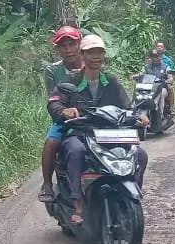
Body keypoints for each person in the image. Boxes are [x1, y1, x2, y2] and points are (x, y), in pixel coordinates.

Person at [48, 34, 149, 224]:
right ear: (82, 55)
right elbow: (54, 102)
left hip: (108, 134)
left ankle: (130, 196)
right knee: (75, 151)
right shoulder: (71, 80)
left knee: (140, 155)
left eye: (99, 52)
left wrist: (138, 117)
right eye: (91, 52)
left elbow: (126, 107)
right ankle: (77, 201)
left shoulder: (111, 81)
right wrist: (64, 111)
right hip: (80, 132)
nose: (96, 56)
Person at [38, 25, 83, 201]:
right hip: (65, 117)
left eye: (71, 44)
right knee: (51, 142)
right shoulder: (53, 70)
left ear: (79, 44)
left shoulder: (90, 62)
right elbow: (54, 98)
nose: (68, 49)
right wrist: (65, 111)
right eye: (63, 46)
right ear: (58, 49)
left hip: (92, 115)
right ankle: (47, 185)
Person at [151, 42, 175, 117]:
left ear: (164, 49)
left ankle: (172, 108)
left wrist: (170, 80)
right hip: (152, 82)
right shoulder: (150, 62)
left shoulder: (168, 60)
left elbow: (172, 72)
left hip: (164, 80)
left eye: (161, 46)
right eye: (158, 46)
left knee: (170, 88)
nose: (159, 48)